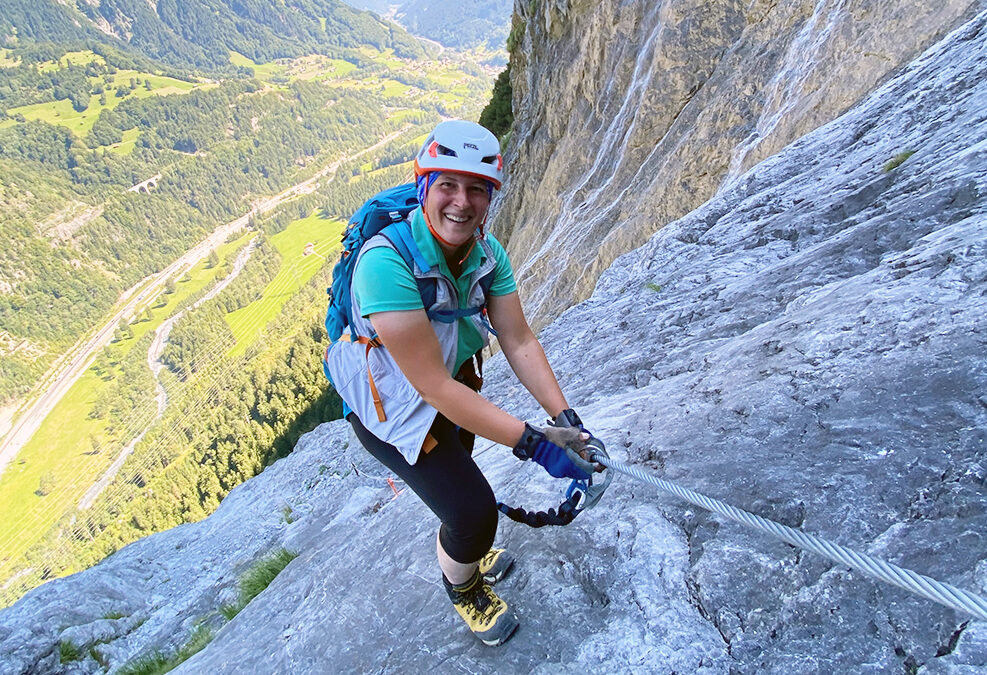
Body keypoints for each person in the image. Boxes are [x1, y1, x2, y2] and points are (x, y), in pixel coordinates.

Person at [325, 120, 601, 647]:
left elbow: (518, 340)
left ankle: (462, 543)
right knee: (473, 513)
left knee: (463, 488)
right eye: (447, 184)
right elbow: (429, 386)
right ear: (423, 186)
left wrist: (567, 420)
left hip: (454, 385)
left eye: (477, 188)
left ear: (491, 197)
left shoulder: (487, 254)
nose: (461, 201)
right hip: (391, 407)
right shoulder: (384, 263)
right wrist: (534, 444)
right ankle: (464, 583)